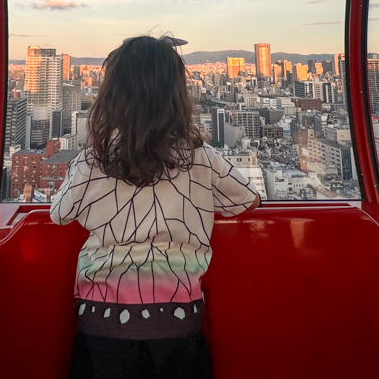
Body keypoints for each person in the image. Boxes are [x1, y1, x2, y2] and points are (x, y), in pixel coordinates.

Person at [50, 35, 261, 379]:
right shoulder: (200, 158)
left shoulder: (94, 160)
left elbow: (59, 214)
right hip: (178, 321)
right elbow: (247, 199)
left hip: (100, 323)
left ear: (112, 97)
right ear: (176, 97)